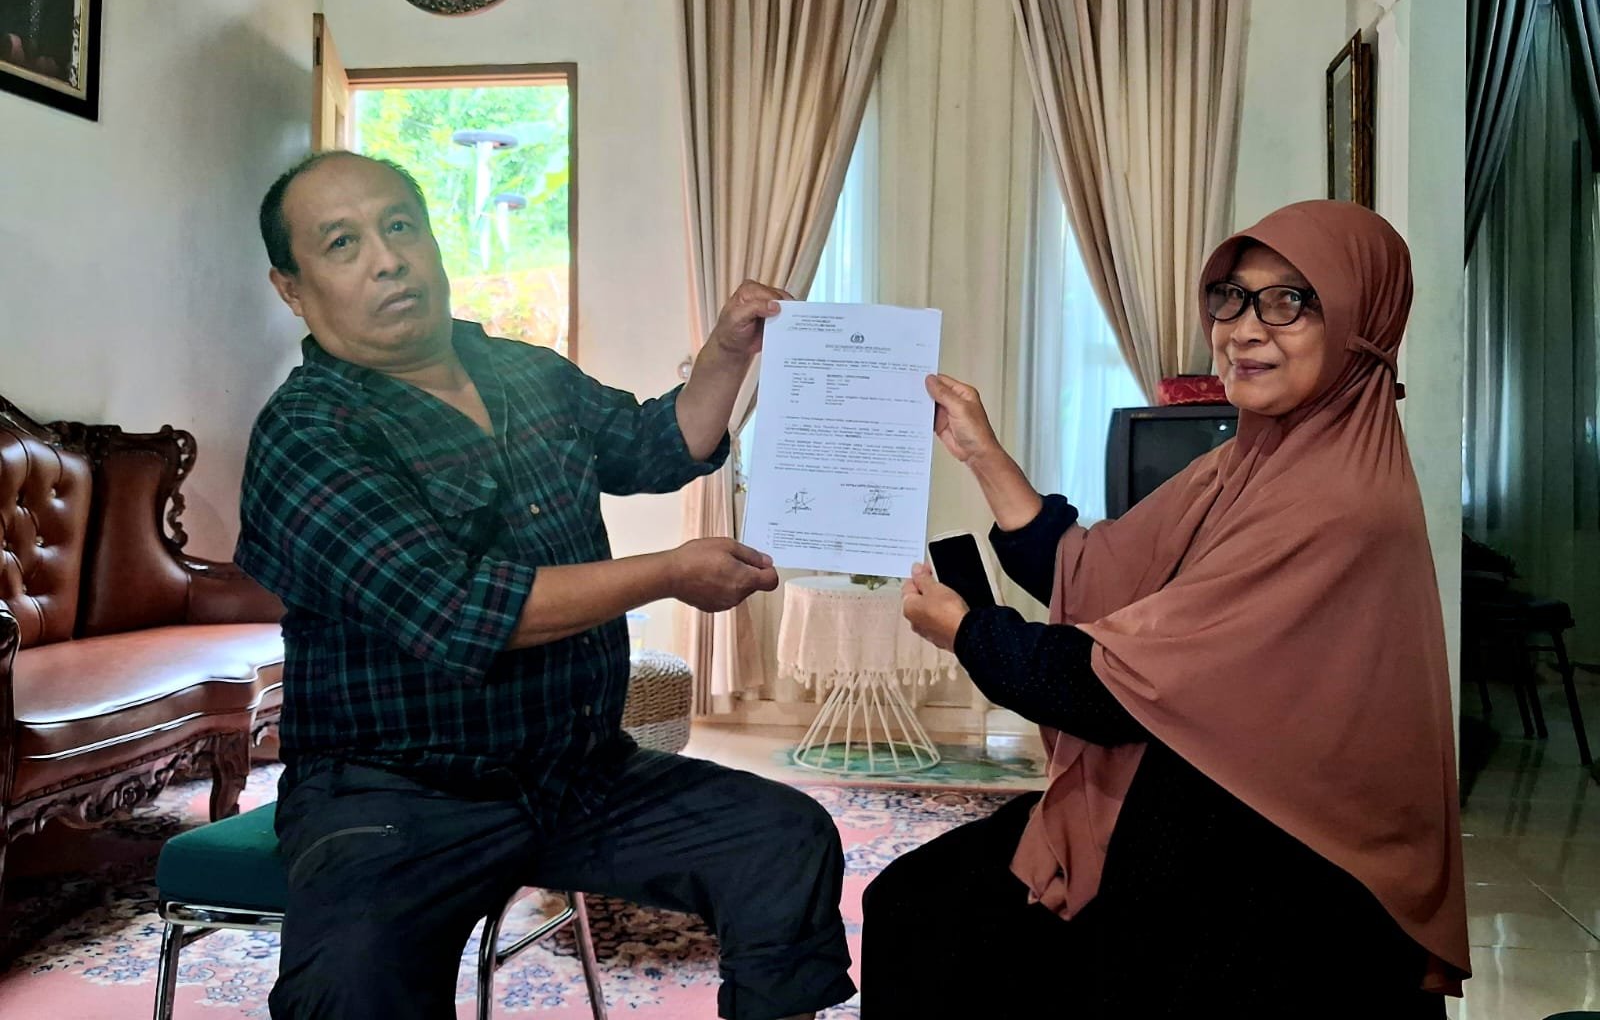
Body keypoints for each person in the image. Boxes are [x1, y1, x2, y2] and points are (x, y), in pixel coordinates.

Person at [236, 151, 854, 1020]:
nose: (387, 259)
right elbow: (460, 607)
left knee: (783, 839)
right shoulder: (306, 434)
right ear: (292, 289)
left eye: (401, 226)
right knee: (351, 985)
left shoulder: (526, 374)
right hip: (394, 793)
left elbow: (655, 445)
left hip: (576, 772)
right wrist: (670, 573)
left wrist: (726, 351)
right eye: (343, 243)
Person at [863, 201, 1470, 1017]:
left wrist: (967, 631)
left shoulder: (1338, 504)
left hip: (1283, 860)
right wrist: (981, 451)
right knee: (927, 907)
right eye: (1231, 297)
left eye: (1290, 301)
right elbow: (1091, 571)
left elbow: (1108, 689)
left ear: (1362, 325)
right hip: (1209, 795)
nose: (1243, 329)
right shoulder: (1245, 463)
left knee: (930, 915)